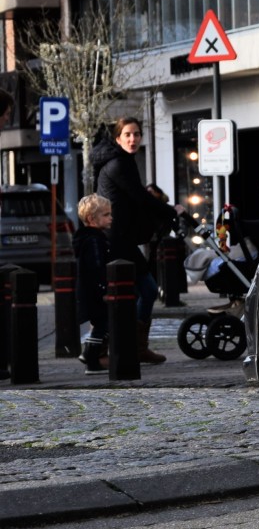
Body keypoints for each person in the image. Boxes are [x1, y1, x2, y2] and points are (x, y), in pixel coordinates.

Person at [90, 117, 180, 366]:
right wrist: (171, 210)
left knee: (137, 291)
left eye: (137, 134)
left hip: (121, 238)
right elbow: (140, 197)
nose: (133, 139)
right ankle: (114, 349)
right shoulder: (119, 163)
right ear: (118, 138)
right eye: (128, 134)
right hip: (116, 239)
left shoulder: (121, 160)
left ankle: (129, 347)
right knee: (144, 290)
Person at [74, 194, 113, 376]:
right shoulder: (94, 240)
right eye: (106, 215)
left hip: (91, 291)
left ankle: (89, 356)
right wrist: (103, 290)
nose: (110, 218)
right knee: (103, 323)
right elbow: (97, 266)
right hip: (95, 292)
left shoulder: (90, 238)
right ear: (91, 219)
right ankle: (91, 358)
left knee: (101, 324)